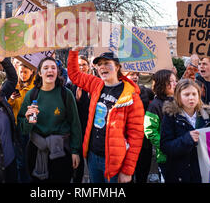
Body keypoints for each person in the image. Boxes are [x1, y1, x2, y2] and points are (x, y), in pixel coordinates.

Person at [67, 49, 144, 183]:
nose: (102, 67)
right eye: (99, 64)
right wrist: (74, 51)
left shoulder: (131, 96)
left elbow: (136, 136)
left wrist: (127, 170)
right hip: (92, 156)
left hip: (114, 162)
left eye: (107, 63)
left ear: (117, 67)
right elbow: (74, 75)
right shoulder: (96, 85)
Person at [18, 56, 81, 183]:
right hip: (36, 150)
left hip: (61, 150)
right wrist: (28, 121)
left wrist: (75, 151)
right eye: (45, 68)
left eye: (53, 68)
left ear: (57, 72)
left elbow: (75, 124)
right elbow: (22, 129)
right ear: (40, 73)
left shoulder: (66, 94)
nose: (50, 70)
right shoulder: (31, 95)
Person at [160, 79, 210, 183]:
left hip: (205, 172)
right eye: (186, 94)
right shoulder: (171, 116)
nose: (191, 98)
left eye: (194, 94)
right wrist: (187, 139)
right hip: (180, 174)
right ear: (178, 96)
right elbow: (165, 146)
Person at [144, 69, 177, 182]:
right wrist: (166, 145)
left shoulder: (179, 100)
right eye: (171, 81)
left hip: (181, 154)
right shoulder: (155, 105)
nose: (175, 84)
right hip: (165, 157)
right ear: (162, 84)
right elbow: (150, 131)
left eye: (175, 81)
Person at [124, 71, 154, 183]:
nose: (135, 77)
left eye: (136, 74)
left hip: (143, 143)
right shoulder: (117, 92)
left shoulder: (146, 91)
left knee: (142, 175)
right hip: (125, 143)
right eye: (131, 74)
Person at [66, 55, 92, 183]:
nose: (81, 67)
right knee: (77, 160)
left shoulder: (94, 84)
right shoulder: (69, 86)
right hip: (76, 129)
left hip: (90, 128)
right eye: (79, 65)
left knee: (92, 160)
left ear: (88, 67)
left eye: (84, 65)